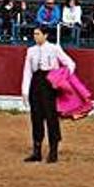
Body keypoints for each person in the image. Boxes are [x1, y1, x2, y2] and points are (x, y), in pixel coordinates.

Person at [21, 25, 76, 163]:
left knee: (51, 117)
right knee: (36, 118)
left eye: (38, 34)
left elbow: (70, 64)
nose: (35, 36)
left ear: (45, 35)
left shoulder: (54, 48)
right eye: (34, 34)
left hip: (50, 83)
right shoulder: (31, 50)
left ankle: (53, 151)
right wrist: (25, 90)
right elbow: (27, 71)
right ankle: (37, 151)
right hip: (36, 82)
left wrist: (61, 78)